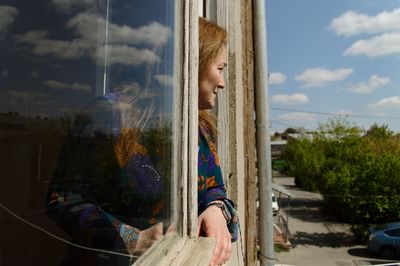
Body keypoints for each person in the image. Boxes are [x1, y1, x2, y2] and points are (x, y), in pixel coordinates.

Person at [197, 17, 238, 266]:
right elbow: (62, 201)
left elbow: (215, 188)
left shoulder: (203, 128)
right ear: (196, 61)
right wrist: (136, 239)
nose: (222, 83)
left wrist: (215, 209)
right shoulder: (113, 116)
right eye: (220, 69)